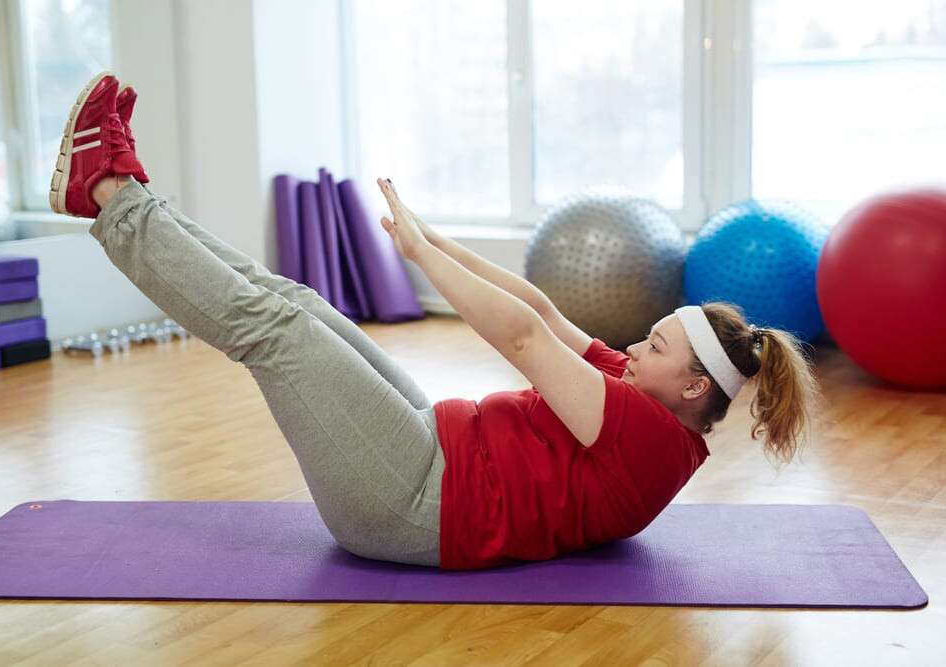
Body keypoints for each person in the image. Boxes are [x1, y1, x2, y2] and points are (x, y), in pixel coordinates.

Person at [51, 71, 822, 572]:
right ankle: (133, 195)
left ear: (693, 386)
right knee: (303, 306)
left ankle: (111, 195)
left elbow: (520, 337)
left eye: (652, 344)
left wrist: (423, 258)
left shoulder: (647, 439)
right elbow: (545, 312)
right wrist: (435, 236)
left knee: (277, 335)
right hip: (430, 454)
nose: (629, 345)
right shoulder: (642, 392)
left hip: (410, 505)